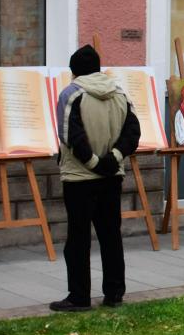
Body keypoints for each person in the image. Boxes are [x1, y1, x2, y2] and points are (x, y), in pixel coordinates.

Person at [51, 45, 140, 312]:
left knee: (78, 239)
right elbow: (132, 132)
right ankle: (114, 293)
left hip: (79, 178)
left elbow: (70, 135)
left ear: (74, 71)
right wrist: (113, 158)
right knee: (110, 235)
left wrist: (93, 163)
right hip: (112, 176)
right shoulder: (120, 93)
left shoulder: (70, 94)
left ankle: (79, 297)